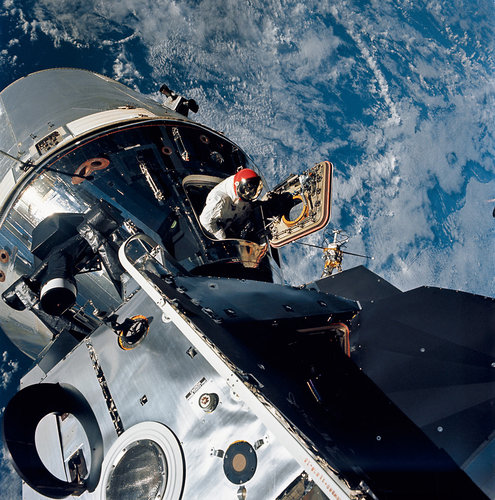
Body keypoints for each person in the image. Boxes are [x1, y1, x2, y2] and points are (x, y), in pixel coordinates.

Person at [199, 168, 263, 240]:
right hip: (213, 230)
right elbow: (205, 221)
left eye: (252, 192)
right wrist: (221, 237)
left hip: (231, 223)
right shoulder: (220, 200)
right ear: (237, 185)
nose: (248, 193)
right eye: (246, 190)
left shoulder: (243, 192)